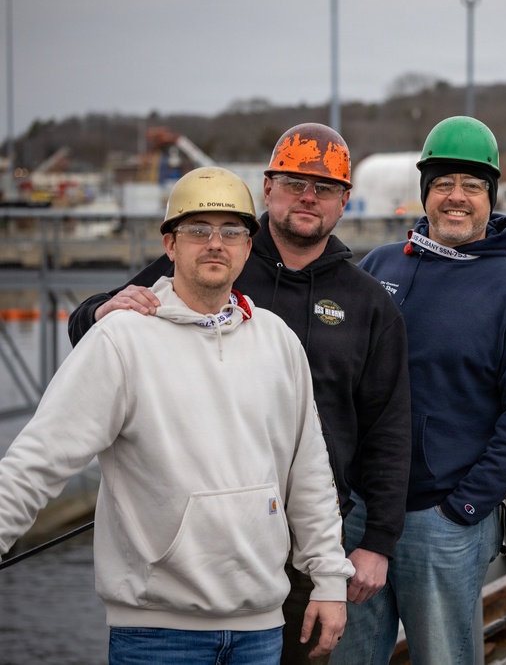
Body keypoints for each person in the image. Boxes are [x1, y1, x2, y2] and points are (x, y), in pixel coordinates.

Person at [66, 123, 411, 665]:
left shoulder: (368, 304)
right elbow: (108, 317)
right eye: (295, 182)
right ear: (268, 187)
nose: (307, 197)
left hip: (310, 544)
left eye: (323, 188)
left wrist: (378, 543)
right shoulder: (216, 257)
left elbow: (390, 428)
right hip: (198, 551)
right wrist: (94, 312)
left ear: (345, 201)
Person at [0, 166, 355, 663]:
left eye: (232, 231)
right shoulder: (122, 340)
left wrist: (329, 580)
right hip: (156, 634)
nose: (216, 243)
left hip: (260, 629)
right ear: (170, 245)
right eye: (198, 230)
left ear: (249, 248)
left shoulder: (277, 340)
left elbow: (310, 474)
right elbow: (40, 457)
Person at [336, 115, 506, 665]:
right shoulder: (380, 266)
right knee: (351, 656)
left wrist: (464, 505)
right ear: (425, 193)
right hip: (360, 513)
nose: (456, 197)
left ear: (491, 197)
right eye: (442, 184)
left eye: (472, 186)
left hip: (442, 521)